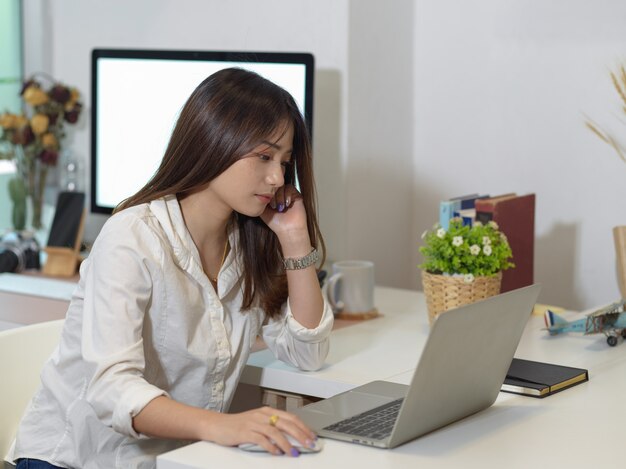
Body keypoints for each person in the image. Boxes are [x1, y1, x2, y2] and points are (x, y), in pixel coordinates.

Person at [11, 68, 333, 468]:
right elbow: (112, 388)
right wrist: (222, 426)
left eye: (285, 162)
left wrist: (296, 239)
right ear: (212, 142)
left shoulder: (249, 241)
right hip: (77, 461)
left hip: (174, 460)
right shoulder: (132, 237)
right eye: (264, 156)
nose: (277, 177)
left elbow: (307, 352)